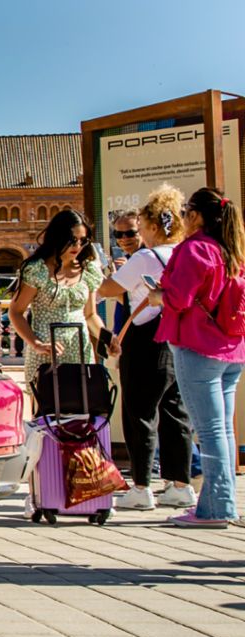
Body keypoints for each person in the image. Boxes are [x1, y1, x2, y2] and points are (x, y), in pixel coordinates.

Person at [149, 188, 245, 528]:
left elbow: (180, 299)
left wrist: (157, 294)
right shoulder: (230, 248)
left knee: (209, 430)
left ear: (199, 215)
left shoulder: (195, 249)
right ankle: (221, 502)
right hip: (231, 349)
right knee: (223, 431)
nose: (183, 215)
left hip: (197, 346)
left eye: (187, 209)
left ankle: (216, 510)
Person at [98, 187, 194, 511]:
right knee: (174, 410)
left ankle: (141, 486)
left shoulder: (145, 257)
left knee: (139, 411)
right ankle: (179, 484)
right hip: (176, 336)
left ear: (151, 225)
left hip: (144, 339)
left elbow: (109, 288)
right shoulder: (183, 252)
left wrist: (110, 274)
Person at [8, 209, 107, 391]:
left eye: (82, 240)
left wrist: (108, 339)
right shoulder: (38, 270)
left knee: (81, 409)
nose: (77, 246)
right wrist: (36, 343)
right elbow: (16, 312)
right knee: (45, 415)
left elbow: (91, 315)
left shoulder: (88, 270)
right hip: (47, 352)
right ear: (57, 237)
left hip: (81, 351)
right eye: (72, 240)